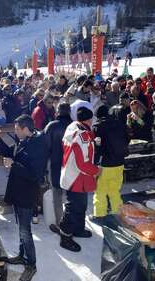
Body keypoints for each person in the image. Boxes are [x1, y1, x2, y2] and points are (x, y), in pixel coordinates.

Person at [0, 115, 46, 281]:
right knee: (21, 227)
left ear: (25, 128)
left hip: (26, 193)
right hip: (17, 190)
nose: (14, 131)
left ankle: (31, 264)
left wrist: (14, 165)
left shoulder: (38, 145)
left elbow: (35, 175)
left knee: (25, 230)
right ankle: (22, 256)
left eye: (16, 129)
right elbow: (12, 154)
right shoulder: (25, 140)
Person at [59, 107, 101, 252]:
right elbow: (82, 163)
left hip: (73, 174)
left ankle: (78, 229)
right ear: (88, 120)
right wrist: (96, 170)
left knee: (81, 205)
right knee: (73, 207)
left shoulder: (72, 126)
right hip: (76, 177)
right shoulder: (81, 135)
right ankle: (65, 237)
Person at [92, 106, 127, 222]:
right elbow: (127, 138)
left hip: (105, 164)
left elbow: (97, 148)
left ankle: (99, 215)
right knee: (114, 190)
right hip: (120, 162)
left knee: (100, 191)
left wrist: (94, 163)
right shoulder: (120, 124)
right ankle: (117, 212)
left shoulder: (98, 127)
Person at [43, 103, 72, 234]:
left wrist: (43, 166)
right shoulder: (75, 125)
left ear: (57, 111)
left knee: (57, 195)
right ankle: (72, 222)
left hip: (56, 164)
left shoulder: (52, 126)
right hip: (72, 165)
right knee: (72, 195)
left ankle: (60, 224)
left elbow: (45, 147)